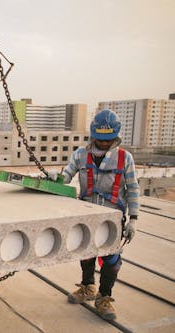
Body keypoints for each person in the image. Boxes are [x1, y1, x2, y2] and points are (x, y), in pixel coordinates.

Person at [56, 109, 139, 320]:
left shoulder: (124, 158)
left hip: (112, 219)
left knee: (111, 259)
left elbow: (133, 189)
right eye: (100, 139)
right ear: (93, 135)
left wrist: (134, 220)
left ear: (115, 136)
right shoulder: (80, 155)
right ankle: (87, 287)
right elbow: (65, 176)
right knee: (86, 254)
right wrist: (53, 179)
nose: (102, 143)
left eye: (107, 140)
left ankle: (104, 297)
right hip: (86, 216)